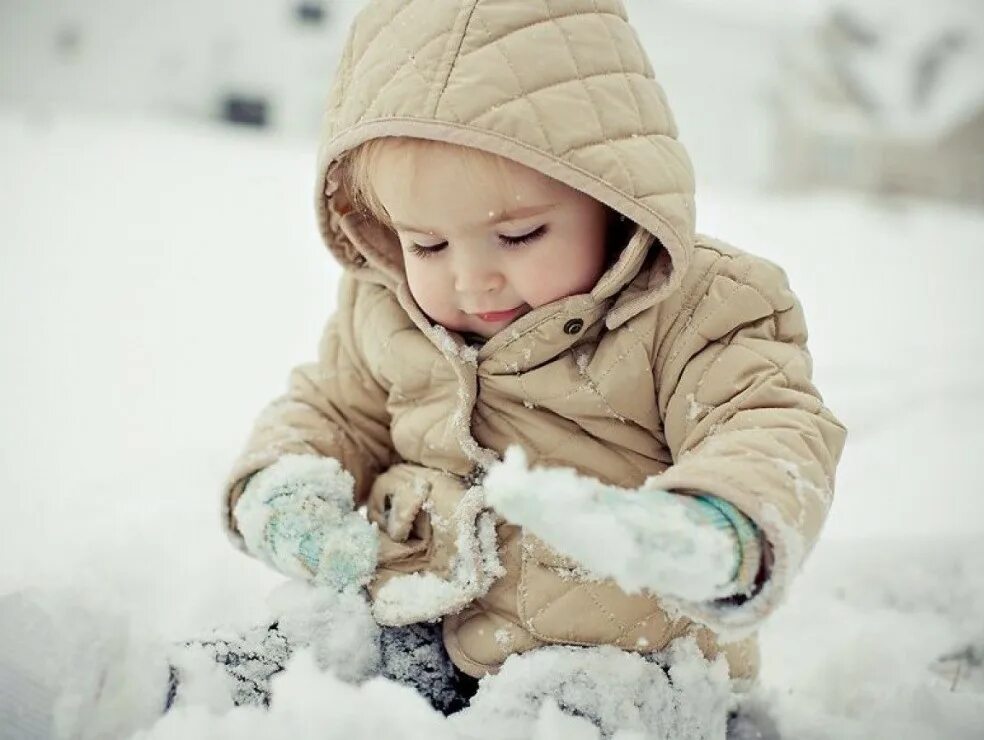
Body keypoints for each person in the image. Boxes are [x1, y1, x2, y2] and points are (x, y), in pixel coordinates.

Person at [214, 0, 847, 735]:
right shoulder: (382, 307)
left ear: (612, 196)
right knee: (309, 661)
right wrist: (282, 481)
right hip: (416, 616)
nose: (472, 281)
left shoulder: (699, 307)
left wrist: (715, 528)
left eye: (518, 235)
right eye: (426, 245)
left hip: (624, 660)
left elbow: (768, 424)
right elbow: (331, 409)